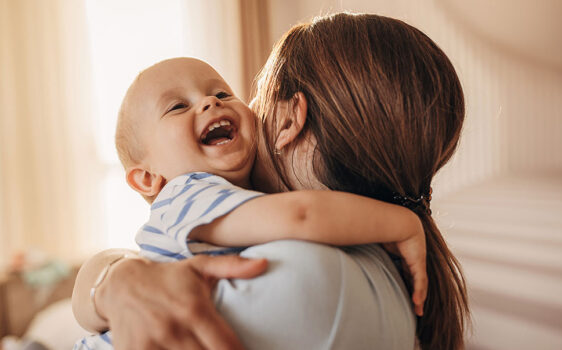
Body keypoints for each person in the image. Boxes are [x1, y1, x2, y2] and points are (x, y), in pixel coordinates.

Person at [72, 12, 469, 350]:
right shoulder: (188, 190)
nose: (212, 104)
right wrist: (111, 275)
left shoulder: (308, 274)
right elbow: (301, 215)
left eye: (225, 93)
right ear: (146, 178)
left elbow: (303, 215)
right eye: (178, 106)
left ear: (289, 119)